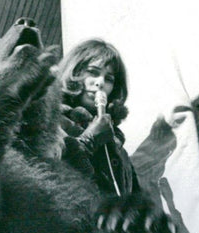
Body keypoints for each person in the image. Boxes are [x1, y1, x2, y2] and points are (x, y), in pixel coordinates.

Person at [57, 39, 141, 198]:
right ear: (74, 72)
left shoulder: (118, 148)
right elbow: (45, 174)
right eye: (93, 72)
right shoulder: (51, 121)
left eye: (109, 79)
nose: (100, 83)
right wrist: (88, 140)